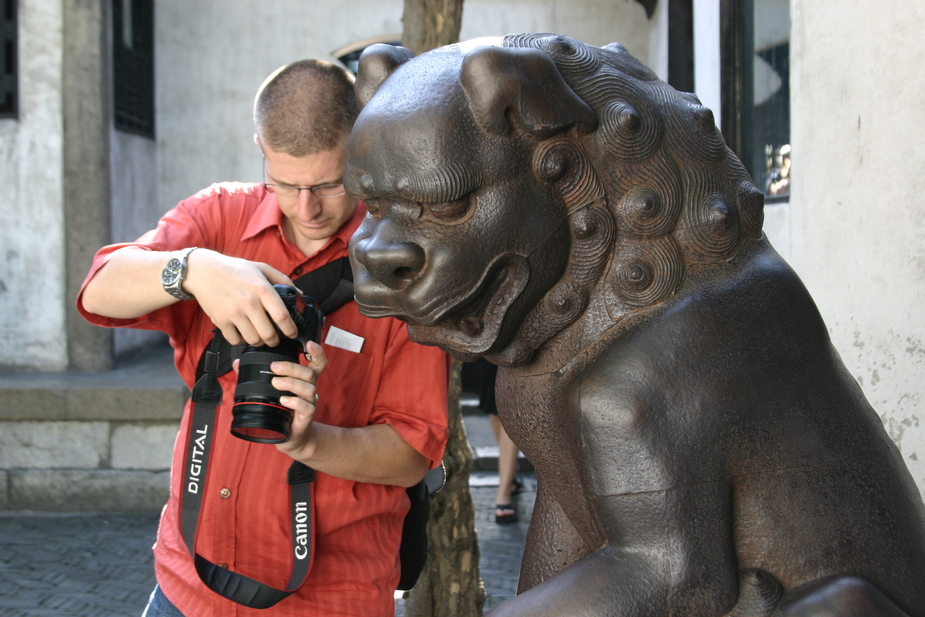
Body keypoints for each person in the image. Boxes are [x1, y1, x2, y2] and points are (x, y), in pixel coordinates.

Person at [77, 60, 449, 617]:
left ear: (360, 149)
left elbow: (412, 453)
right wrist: (194, 270)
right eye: (286, 183)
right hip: (187, 583)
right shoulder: (219, 218)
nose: (307, 207)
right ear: (261, 151)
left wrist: (309, 442)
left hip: (330, 598)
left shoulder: (398, 261)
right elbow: (97, 291)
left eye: (327, 183)